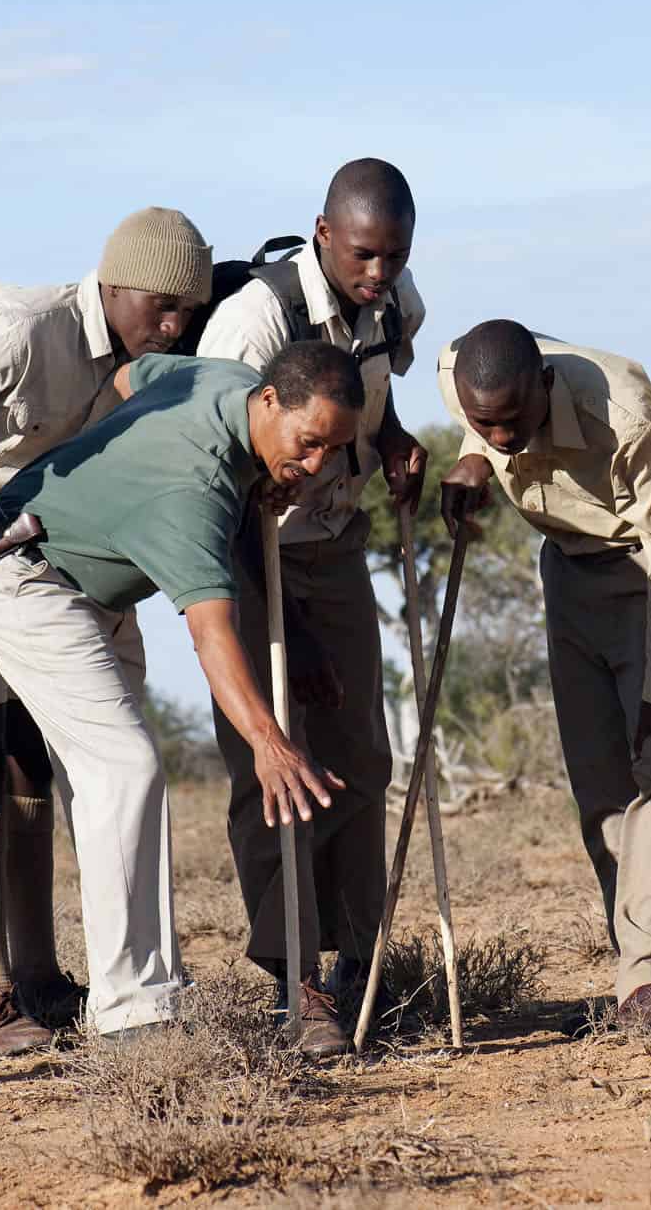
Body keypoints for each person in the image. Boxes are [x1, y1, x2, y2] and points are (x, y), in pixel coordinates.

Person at [0, 342, 362, 1043]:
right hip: (24, 574)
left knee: (121, 780)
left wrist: (119, 478)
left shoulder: (225, 381)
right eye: (309, 442)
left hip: (95, 580)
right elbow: (211, 637)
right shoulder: (192, 490)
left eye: (334, 448)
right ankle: (132, 1014)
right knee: (127, 768)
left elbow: (127, 375)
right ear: (270, 401)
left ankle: (151, 992)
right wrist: (269, 741)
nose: (319, 464)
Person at [0, 208, 212, 1055]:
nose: (172, 326)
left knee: (36, 752)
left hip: (38, 555)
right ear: (113, 281)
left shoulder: (142, 362)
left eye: (187, 311)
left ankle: (38, 975)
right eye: (161, 306)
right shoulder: (25, 331)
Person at [195, 160, 426, 1056]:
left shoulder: (397, 301)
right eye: (364, 252)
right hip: (250, 548)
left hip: (335, 541)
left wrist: (397, 440)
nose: (379, 271)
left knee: (361, 753)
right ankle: (299, 985)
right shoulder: (254, 322)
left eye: (395, 255)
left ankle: (363, 968)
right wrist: (259, 583)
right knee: (275, 762)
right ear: (324, 234)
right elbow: (217, 453)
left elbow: (377, 396)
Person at [438, 320, 651, 1023]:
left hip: (649, 569)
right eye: (483, 424)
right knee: (601, 792)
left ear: (545, 384)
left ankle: (647, 980)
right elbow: (485, 421)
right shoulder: (459, 376)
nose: (501, 438)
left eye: (511, 421)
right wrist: (472, 457)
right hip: (566, 569)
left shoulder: (626, 416)